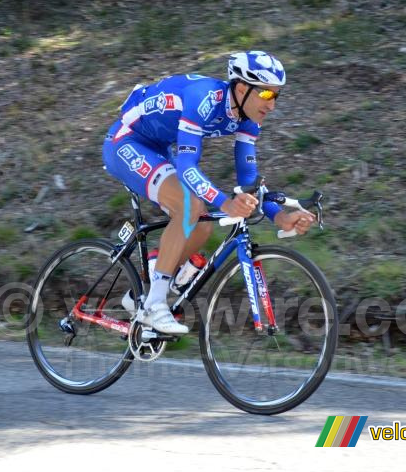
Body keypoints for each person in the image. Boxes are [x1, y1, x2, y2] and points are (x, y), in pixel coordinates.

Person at [102, 51, 315, 334]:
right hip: (126, 142)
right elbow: (189, 165)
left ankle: (142, 293)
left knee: (200, 223)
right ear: (241, 88)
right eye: (266, 95)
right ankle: (154, 304)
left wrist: (279, 218)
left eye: (277, 96)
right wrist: (226, 203)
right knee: (189, 205)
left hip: (160, 148)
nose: (272, 105)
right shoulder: (203, 99)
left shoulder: (248, 117)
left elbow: (248, 179)